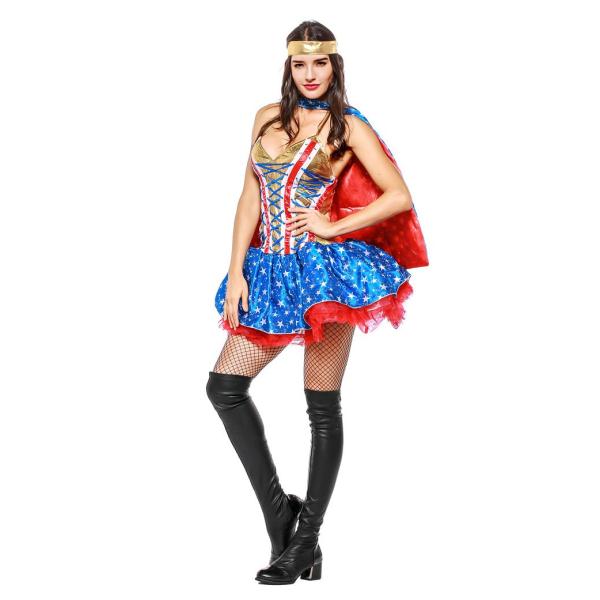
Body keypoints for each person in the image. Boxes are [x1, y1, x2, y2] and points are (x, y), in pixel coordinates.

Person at [205, 21, 429, 585]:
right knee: (224, 387)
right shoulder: (266, 118)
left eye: (320, 63)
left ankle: (304, 541)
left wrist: (333, 225)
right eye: (300, 64)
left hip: (326, 277)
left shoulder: (348, 125)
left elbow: (398, 195)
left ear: (334, 66)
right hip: (268, 270)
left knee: (321, 406)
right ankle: (280, 515)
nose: (310, 74)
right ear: (289, 66)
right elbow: (251, 195)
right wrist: (236, 269)